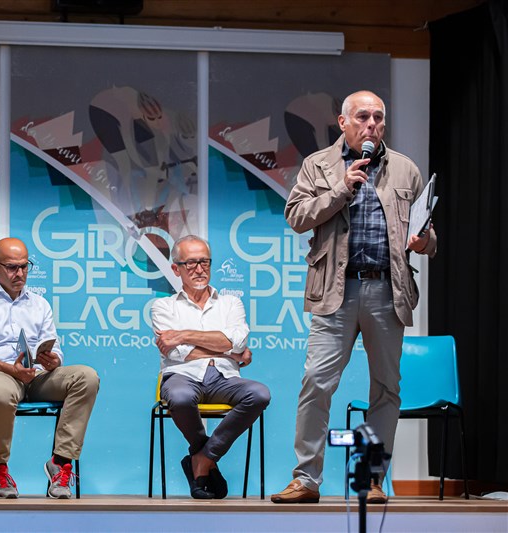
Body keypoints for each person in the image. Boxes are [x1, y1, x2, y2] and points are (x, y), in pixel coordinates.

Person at [271, 90, 437, 504]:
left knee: (386, 388)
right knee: (316, 382)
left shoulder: (406, 169)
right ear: (342, 122)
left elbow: (429, 233)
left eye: (378, 117)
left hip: (387, 290)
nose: (372, 125)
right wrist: (341, 189)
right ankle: (306, 479)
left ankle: (372, 479)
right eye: (363, 117)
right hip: (335, 290)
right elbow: (296, 217)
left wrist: (424, 241)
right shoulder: (318, 165)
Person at [0, 237, 100, 499]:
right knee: (1, 391)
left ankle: (60, 462)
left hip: (36, 376)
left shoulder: (39, 304)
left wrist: (53, 360)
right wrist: (12, 370)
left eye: (24, 266)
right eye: (12, 267)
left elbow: (55, 349)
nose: (20, 273)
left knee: (87, 377)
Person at [151, 235, 270, 499]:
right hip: (182, 376)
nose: (199, 269)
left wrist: (183, 334)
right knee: (181, 397)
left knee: (259, 394)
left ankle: (203, 459)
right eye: (191, 263)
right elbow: (178, 354)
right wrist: (229, 351)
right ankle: (204, 460)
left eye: (204, 262)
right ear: (176, 269)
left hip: (224, 378)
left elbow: (236, 341)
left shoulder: (231, 303)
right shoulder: (163, 306)